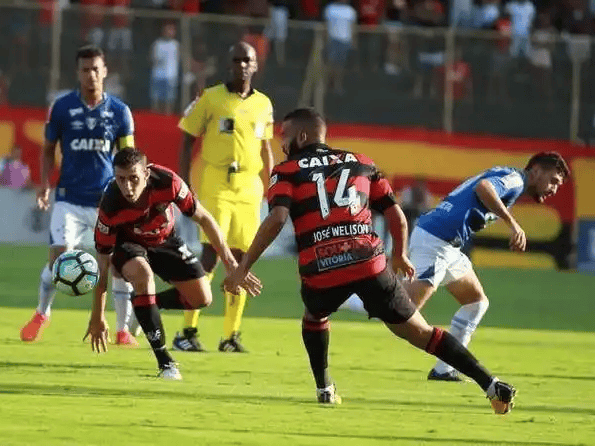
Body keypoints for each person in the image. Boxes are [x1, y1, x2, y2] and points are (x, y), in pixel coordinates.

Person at [223, 108, 516, 414]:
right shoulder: (362, 162)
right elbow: (395, 214)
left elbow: (276, 218)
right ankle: (491, 384)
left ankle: (325, 388)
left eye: (285, 136)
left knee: (314, 317)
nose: (282, 143)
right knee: (421, 332)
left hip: (322, 267)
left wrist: (243, 268)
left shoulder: (286, 171)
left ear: (303, 136)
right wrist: (399, 253)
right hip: (369, 263)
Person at [343, 151, 569, 381]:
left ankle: (444, 369)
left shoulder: (510, 177)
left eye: (557, 185)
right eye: (553, 181)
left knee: (476, 302)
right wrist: (513, 224)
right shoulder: (516, 180)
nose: (553, 189)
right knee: (403, 310)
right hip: (436, 241)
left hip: (448, 245)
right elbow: (483, 188)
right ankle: (347, 297)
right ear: (536, 171)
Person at [84, 149, 261, 379]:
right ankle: (165, 361)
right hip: (128, 244)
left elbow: (205, 219)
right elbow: (103, 264)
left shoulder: (169, 182)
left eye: (133, 178)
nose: (127, 187)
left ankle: (144, 306)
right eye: (121, 179)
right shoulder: (110, 205)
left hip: (165, 240)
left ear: (146, 174)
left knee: (202, 299)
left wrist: (231, 265)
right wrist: (97, 315)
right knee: (143, 276)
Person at [20, 45, 138, 346]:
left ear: (105, 71)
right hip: (69, 199)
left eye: (96, 69)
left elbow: (128, 157)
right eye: (85, 70)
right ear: (78, 73)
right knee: (59, 261)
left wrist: (130, 193)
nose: (91, 75)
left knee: (118, 263)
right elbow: (48, 149)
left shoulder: (120, 111)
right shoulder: (61, 108)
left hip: (106, 201)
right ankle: (42, 314)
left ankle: (122, 330)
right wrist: (45, 184)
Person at [174, 41, 274, 353]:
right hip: (216, 181)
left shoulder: (264, 104)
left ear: (255, 65)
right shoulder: (210, 98)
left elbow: (266, 146)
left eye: (247, 60)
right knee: (211, 255)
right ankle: (187, 332)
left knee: (243, 259)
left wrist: (272, 184)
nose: (242, 65)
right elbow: (187, 139)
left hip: (249, 186)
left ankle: (230, 337)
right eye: (236, 60)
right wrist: (184, 184)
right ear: (228, 64)